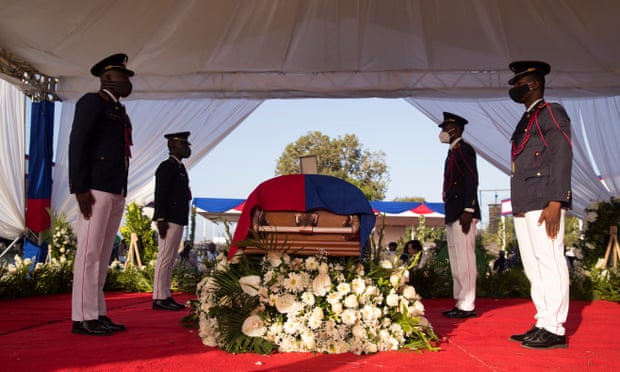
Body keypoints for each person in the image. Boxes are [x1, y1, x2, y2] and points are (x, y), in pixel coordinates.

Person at [506, 61, 572, 349]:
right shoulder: (526, 119)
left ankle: (555, 328)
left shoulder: (551, 112)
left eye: (519, 83)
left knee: (550, 260)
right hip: (525, 200)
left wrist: (557, 200)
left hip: (545, 198)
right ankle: (543, 320)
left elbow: (561, 153)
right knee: (534, 266)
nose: (515, 88)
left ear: (533, 85)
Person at [69, 53, 134, 336]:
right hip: (94, 187)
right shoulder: (92, 102)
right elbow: (78, 143)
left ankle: (97, 313)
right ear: (107, 77)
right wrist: (79, 187)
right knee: (89, 253)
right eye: (123, 76)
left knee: (103, 254)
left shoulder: (119, 110)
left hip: (115, 187)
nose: (127, 81)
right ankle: (82, 317)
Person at [438, 112, 481, 319]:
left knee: (466, 259)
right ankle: (460, 300)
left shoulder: (464, 150)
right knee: (456, 259)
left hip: (463, 211)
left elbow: (471, 180)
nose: (442, 133)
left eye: (444, 129)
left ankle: (468, 303)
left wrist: (468, 209)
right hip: (453, 210)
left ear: (454, 129)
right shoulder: (452, 152)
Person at [152, 131, 192, 311]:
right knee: (164, 258)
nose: (187, 148)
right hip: (168, 218)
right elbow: (160, 194)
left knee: (171, 258)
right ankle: (158, 297)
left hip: (178, 217)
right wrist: (160, 217)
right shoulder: (166, 167)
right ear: (173, 146)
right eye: (184, 145)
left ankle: (165, 294)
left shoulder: (180, 168)